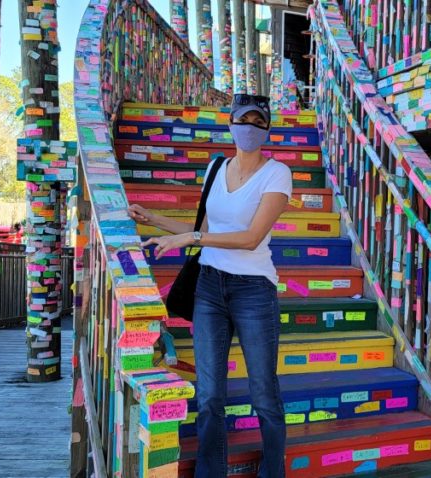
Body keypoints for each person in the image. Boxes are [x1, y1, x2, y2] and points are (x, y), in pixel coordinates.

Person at [131, 93, 292, 478]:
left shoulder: (277, 173)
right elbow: (202, 231)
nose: (249, 128)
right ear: (230, 124)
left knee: (264, 394)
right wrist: (152, 217)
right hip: (209, 288)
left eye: (257, 121)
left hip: (254, 290)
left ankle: (274, 471)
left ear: (267, 128)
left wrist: (192, 241)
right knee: (209, 395)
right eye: (243, 120)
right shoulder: (216, 168)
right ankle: (210, 472)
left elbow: (251, 237)